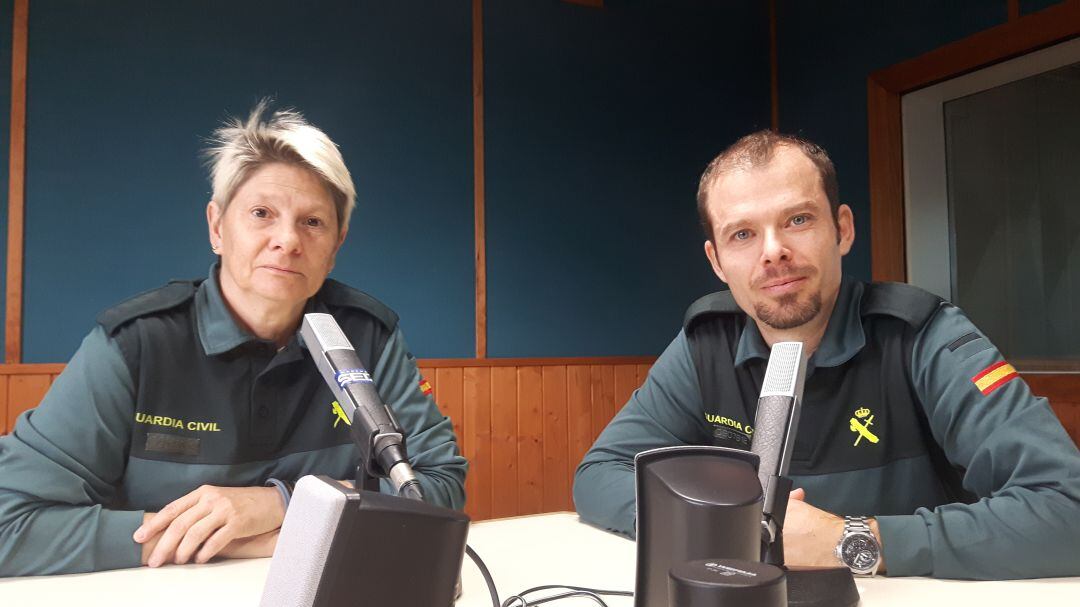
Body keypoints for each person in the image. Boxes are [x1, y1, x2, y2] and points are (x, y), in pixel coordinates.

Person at [573, 130, 1080, 580]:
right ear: (718, 261)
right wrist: (721, 527)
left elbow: (1067, 506)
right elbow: (600, 474)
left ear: (843, 230)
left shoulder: (925, 338)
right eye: (743, 234)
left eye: (797, 219)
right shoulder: (705, 345)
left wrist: (852, 541)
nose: (773, 252)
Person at [0, 101, 467, 576]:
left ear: (336, 245)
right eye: (262, 213)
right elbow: (7, 522)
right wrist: (216, 541)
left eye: (313, 222)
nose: (287, 240)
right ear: (217, 227)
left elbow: (437, 483)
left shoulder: (368, 337)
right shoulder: (134, 345)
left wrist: (286, 504)